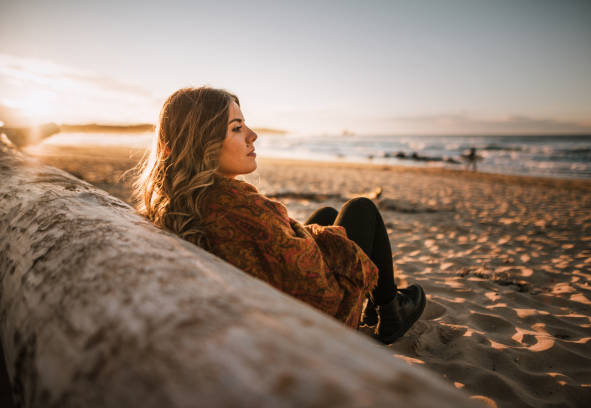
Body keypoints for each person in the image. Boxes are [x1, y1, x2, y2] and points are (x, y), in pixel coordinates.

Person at [133, 86, 426, 345]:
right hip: (313, 323)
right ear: (201, 145)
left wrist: (316, 236)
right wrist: (326, 243)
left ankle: (379, 303)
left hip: (265, 301)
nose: (252, 135)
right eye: (236, 128)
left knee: (326, 214)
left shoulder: (191, 199)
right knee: (360, 209)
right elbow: (314, 287)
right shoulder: (236, 207)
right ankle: (390, 310)